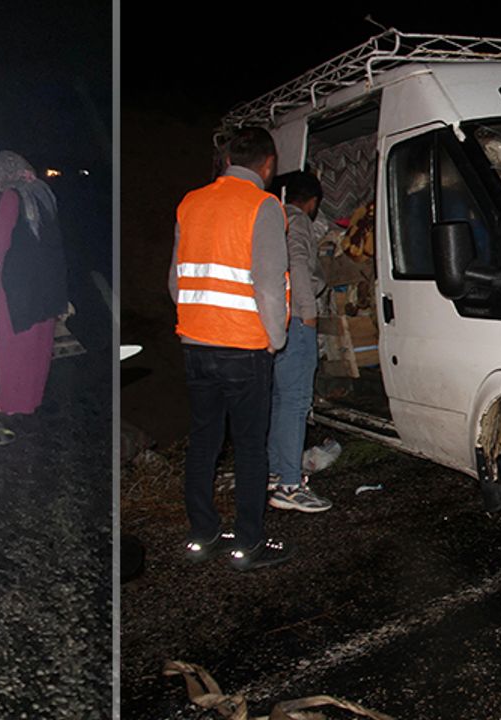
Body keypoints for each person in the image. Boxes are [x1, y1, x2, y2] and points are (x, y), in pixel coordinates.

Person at [169, 127, 291, 571]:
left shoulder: (191, 202)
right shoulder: (264, 206)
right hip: (244, 347)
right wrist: (276, 339)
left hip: (196, 344)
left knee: (204, 441)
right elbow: (269, 285)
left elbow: (175, 281)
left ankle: (202, 534)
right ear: (268, 164)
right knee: (250, 448)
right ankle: (249, 544)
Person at [0, 151, 68, 418]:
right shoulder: (42, 191)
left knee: (13, 341)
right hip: (49, 279)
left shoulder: (12, 196)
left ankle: (9, 400)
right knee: (40, 342)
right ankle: (30, 398)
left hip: (20, 281)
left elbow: (0, 242)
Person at [266, 171, 332, 513]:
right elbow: (299, 266)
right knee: (295, 402)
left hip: (274, 319)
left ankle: (276, 471)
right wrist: (309, 315)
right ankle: (291, 485)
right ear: (312, 202)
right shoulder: (297, 220)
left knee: (278, 400)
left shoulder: (270, 217)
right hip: (296, 319)